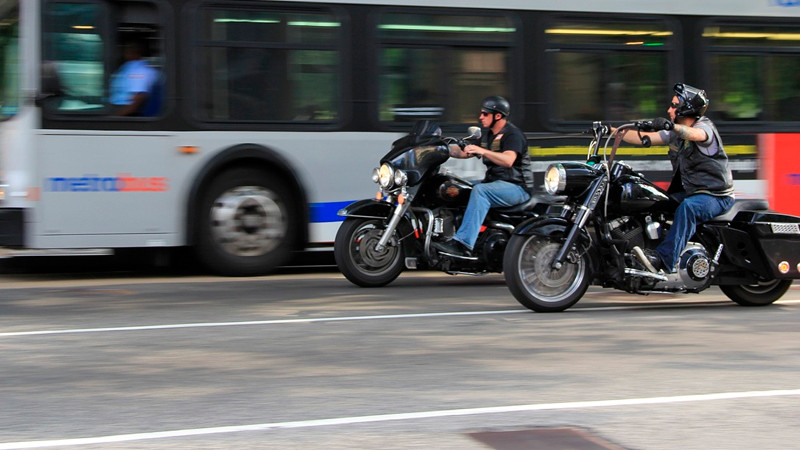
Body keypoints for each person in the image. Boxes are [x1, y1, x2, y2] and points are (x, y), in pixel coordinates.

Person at [616, 83, 735, 273]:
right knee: (651, 201)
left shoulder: (705, 128)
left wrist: (672, 126)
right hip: (690, 192)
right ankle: (643, 251)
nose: (669, 109)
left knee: (688, 208)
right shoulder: (675, 133)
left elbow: (696, 134)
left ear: (684, 108)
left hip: (715, 196)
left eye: (673, 105)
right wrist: (614, 132)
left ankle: (664, 260)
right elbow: (645, 137)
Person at [432, 96, 534, 256]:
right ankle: (447, 236)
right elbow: (463, 152)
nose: (480, 117)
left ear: (498, 116)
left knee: (480, 191)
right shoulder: (488, 136)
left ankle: (463, 244)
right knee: (456, 187)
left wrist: (482, 151)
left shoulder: (512, 134)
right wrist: (439, 147)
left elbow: (508, 160)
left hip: (517, 188)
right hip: (495, 183)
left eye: (485, 114)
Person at [109, 39, 159, 116]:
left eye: (129, 49)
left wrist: (113, 117)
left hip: (128, 113)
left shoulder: (140, 71)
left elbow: (137, 99)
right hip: (117, 107)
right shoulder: (127, 67)